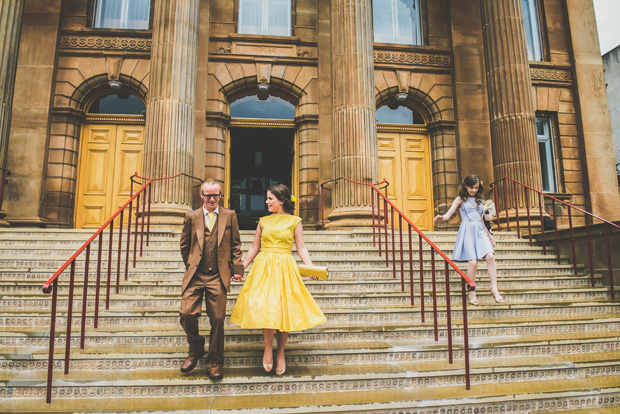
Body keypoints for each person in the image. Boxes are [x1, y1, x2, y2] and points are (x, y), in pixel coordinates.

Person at [230, 184, 326, 376]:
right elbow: (253, 247)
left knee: (284, 310)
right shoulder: (263, 221)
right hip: (263, 266)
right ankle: (267, 348)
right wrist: (240, 268)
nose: (266, 202)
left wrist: (311, 268)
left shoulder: (295, 221)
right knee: (267, 308)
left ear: (281, 201)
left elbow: (302, 248)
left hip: (285, 267)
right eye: (266, 198)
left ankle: (280, 353)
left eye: (269, 198)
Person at [179, 179, 244, 380]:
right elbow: (185, 246)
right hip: (196, 275)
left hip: (218, 275)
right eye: (208, 195)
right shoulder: (191, 217)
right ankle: (196, 347)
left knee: (217, 319)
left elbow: (235, 245)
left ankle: (215, 362)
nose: (212, 199)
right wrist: (191, 266)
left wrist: (237, 267)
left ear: (220, 195)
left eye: (216, 195)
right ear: (201, 196)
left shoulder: (230, 216)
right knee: (186, 313)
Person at [433, 175, 504, 305]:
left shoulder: (480, 200)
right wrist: (440, 217)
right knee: (473, 262)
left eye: (476, 187)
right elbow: (448, 215)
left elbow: (486, 216)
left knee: (490, 257)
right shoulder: (460, 200)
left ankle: (494, 289)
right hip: (467, 230)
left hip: (480, 230)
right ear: (465, 186)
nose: (474, 190)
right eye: (472, 187)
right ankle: (471, 292)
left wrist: (488, 217)